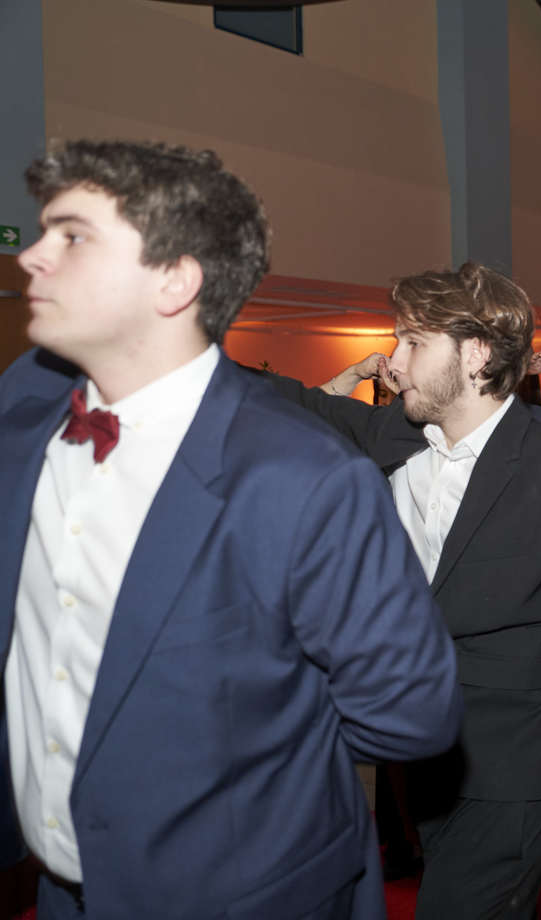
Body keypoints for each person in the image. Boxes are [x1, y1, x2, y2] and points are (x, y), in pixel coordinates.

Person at [0, 139, 464, 918]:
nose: (33, 256)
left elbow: (410, 712)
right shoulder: (24, 413)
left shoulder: (302, 475)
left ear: (175, 280)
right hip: (60, 888)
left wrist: (247, 764)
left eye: (73, 236)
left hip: (234, 892)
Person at [266, 265, 541, 920]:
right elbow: (292, 404)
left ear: (476, 355)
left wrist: (540, 695)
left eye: (414, 343)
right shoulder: (393, 436)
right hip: (424, 756)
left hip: (523, 766)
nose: (394, 362)